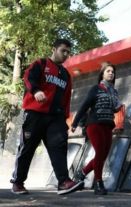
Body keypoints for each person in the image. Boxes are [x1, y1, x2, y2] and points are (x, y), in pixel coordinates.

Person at [10, 39, 84, 195]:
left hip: (55, 118)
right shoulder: (41, 64)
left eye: (68, 52)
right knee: (27, 148)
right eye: (63, 50)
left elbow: (66, 99)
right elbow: (28, 77)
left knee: (59, 147)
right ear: (54, 49)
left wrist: (65, 118)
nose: (65, 55)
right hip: (35, 115)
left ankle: (63, 182)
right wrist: (36, 91)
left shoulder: (65, 75)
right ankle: (18, 182)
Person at [71, 62, 122, 195]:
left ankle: (81, 173)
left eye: (112, 71)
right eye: (108, 71)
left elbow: (115, 109)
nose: (111, 73)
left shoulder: (114, 92)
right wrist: (75, 123)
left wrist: (118, 106)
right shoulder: (96, 88)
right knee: (99, 153)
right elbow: (84, 105)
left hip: (108, 125)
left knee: (103, 156)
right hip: (94, 124)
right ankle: (98, 183)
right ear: (102, 74)